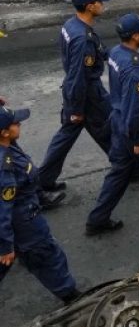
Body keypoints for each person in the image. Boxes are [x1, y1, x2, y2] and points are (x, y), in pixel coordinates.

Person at [85, 13, 139, 234]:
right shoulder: (134, 69)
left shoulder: (118, 53)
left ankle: (97, 219)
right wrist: (138, 140)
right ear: (135, 35)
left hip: (118, 121)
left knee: (119, 172)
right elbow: (134, 109)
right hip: (136, 126)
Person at [36, 0, 113, 205]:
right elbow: (78, 76)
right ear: (90, 6)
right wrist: (75, 109)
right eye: (100, 1)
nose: (102, 4)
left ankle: (44, 180)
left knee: (73, 136)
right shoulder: (82, 38)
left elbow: (98, 50)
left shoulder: (73, 25)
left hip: (81, 93)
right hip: (87, 95)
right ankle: (127, 168)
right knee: (111, 126)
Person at [0, 106, 80, 305]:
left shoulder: (9, 146)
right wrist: (5, 246)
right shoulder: (5, 166)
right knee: (45, 255)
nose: (19, 125)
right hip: (23, 219)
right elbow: (3, 210)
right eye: (15, 123)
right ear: (4, 132)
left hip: (22, 212)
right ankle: (70, 295)